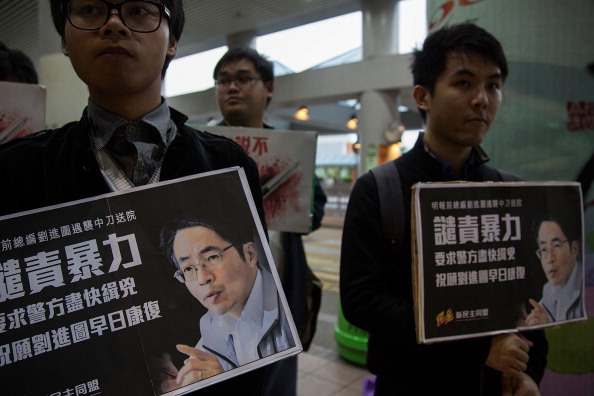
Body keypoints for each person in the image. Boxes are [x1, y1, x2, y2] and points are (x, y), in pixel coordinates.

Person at [0, 1, 268, 394]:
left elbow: (258, 318)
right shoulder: (15, 173)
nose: (113, 25)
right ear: (65, 41)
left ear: (172, 40)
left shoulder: (227, 165)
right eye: (90, 9)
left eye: (139, 10)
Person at [340, 22, 548, 395]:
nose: (482, 99)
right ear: (423, 96)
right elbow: (362, 300)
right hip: (410, 384)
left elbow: (531, 300)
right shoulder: (380, 188)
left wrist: (530, 372)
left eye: (493, 85)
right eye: (464, 83)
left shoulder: (511, 191)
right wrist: (476, 347)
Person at [212, 46, 327, 396]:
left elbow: (316, 209)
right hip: (218, 294)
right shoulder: (199, 148)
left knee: (275, 381)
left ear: (269, 88)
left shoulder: (289, 149)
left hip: (278, 296)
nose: (232, 87)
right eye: (223, 80)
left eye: (244, 79)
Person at [159, 216, 295, 391]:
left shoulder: (288, 316)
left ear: (250, 254)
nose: (202, 278)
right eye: (187, 269)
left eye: (212, 257)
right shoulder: (210, 325)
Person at [525, 215, 584, 325]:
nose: (550, 259)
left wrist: (551, 329)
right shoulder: (549, 292)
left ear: (575, 248)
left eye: (556, 246)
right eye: (544, 249)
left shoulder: (588, 287)